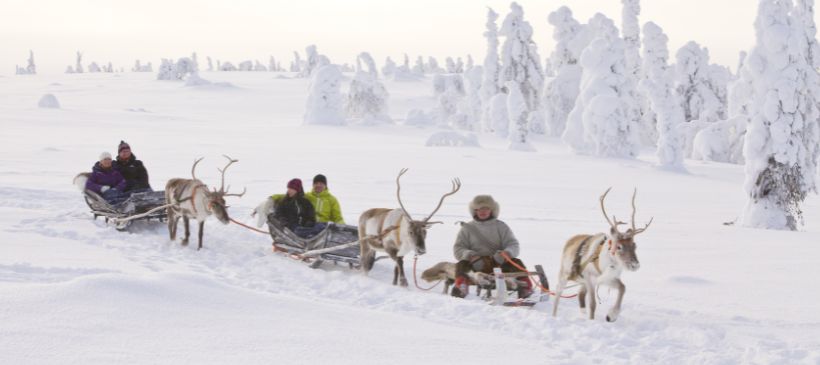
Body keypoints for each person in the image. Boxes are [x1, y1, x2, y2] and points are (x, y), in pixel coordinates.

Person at [451, 195, 532, 299]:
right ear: (474, 210)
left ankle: (526, 289)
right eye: (479, 209)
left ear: (492, 210)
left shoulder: (501, 226)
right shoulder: (467, 229)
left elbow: (513, 244)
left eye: (486, 208)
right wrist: (470, 255)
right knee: (462, 264)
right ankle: (461, 288)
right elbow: (458, 248)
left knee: (516, 262)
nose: (482, 211)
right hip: (475, 264)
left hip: (499, 263)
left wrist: (507, 253)